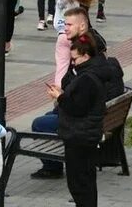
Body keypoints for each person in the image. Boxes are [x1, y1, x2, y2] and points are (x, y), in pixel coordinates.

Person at [47, 34, 106, 207]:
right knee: (84, 181)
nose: (72, 63)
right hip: (85, 135)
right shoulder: (87, 73)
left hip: (79, 136)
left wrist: (60, 97)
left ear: (86, 56)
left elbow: (77, 108)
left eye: (75, 59)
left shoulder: (87, 78)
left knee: (79, 183)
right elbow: (69, 85)